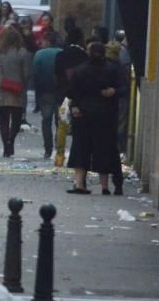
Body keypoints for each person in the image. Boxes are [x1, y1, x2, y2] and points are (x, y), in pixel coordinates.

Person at [65, 42, 124, 195]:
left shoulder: (81, 70)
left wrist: (75, 106)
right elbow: (123, 88)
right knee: (104, 149)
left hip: (83, 114)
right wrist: (113, 91)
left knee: (80, 148)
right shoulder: (112, 69)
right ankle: (105, 186)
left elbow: (71, 92)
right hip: (106, 114)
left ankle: (80, 184)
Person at [0, 26, 30, 156]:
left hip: (1, 89)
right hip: (17, 89)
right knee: (16, 119)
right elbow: (26, 73)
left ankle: (5, 146)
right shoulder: (22, 53)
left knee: (3, 120)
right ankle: (11, 141)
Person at [53, 26, 87, 166]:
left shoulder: (61, 55)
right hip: (80, 95)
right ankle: (78, 156)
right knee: (79, 127)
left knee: (62, 125)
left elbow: (55, 75)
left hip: (63, 94)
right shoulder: (84, 55)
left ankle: (60, 157)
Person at [32, 31, 63, 160]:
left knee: (46, 120)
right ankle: (59, 148)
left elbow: (35, 74)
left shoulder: (39, 54)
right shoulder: (62, 53)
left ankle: (48, 149)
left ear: (47, 41)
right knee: (60, 121)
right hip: (60, 91)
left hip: (44, 91)